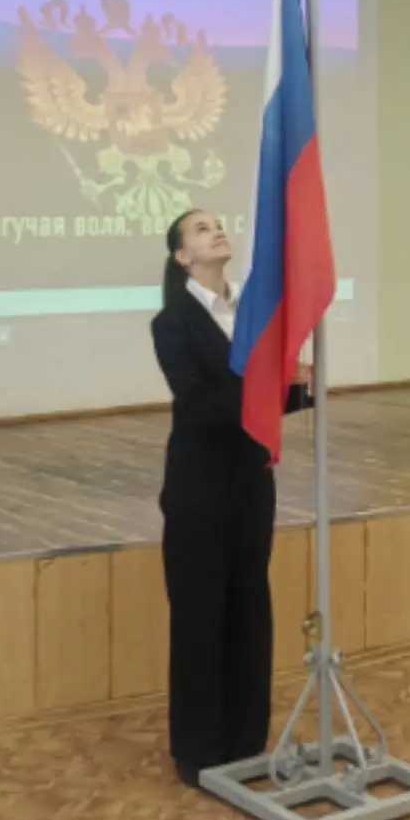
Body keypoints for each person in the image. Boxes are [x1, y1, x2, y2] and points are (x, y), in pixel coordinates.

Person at [150, 208, 309, 787]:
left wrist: (300, 389)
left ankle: (246, 740)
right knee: (200, 612)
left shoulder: (253, 314)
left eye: (217, 224)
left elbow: (265, 404)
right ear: (182, 257)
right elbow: (198, 404)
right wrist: (267, 388)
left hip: (250, 483)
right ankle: (199, 751)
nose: (216, 231)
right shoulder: (172, 322)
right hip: (199, 489)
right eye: (200, 229)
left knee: (249, 606)